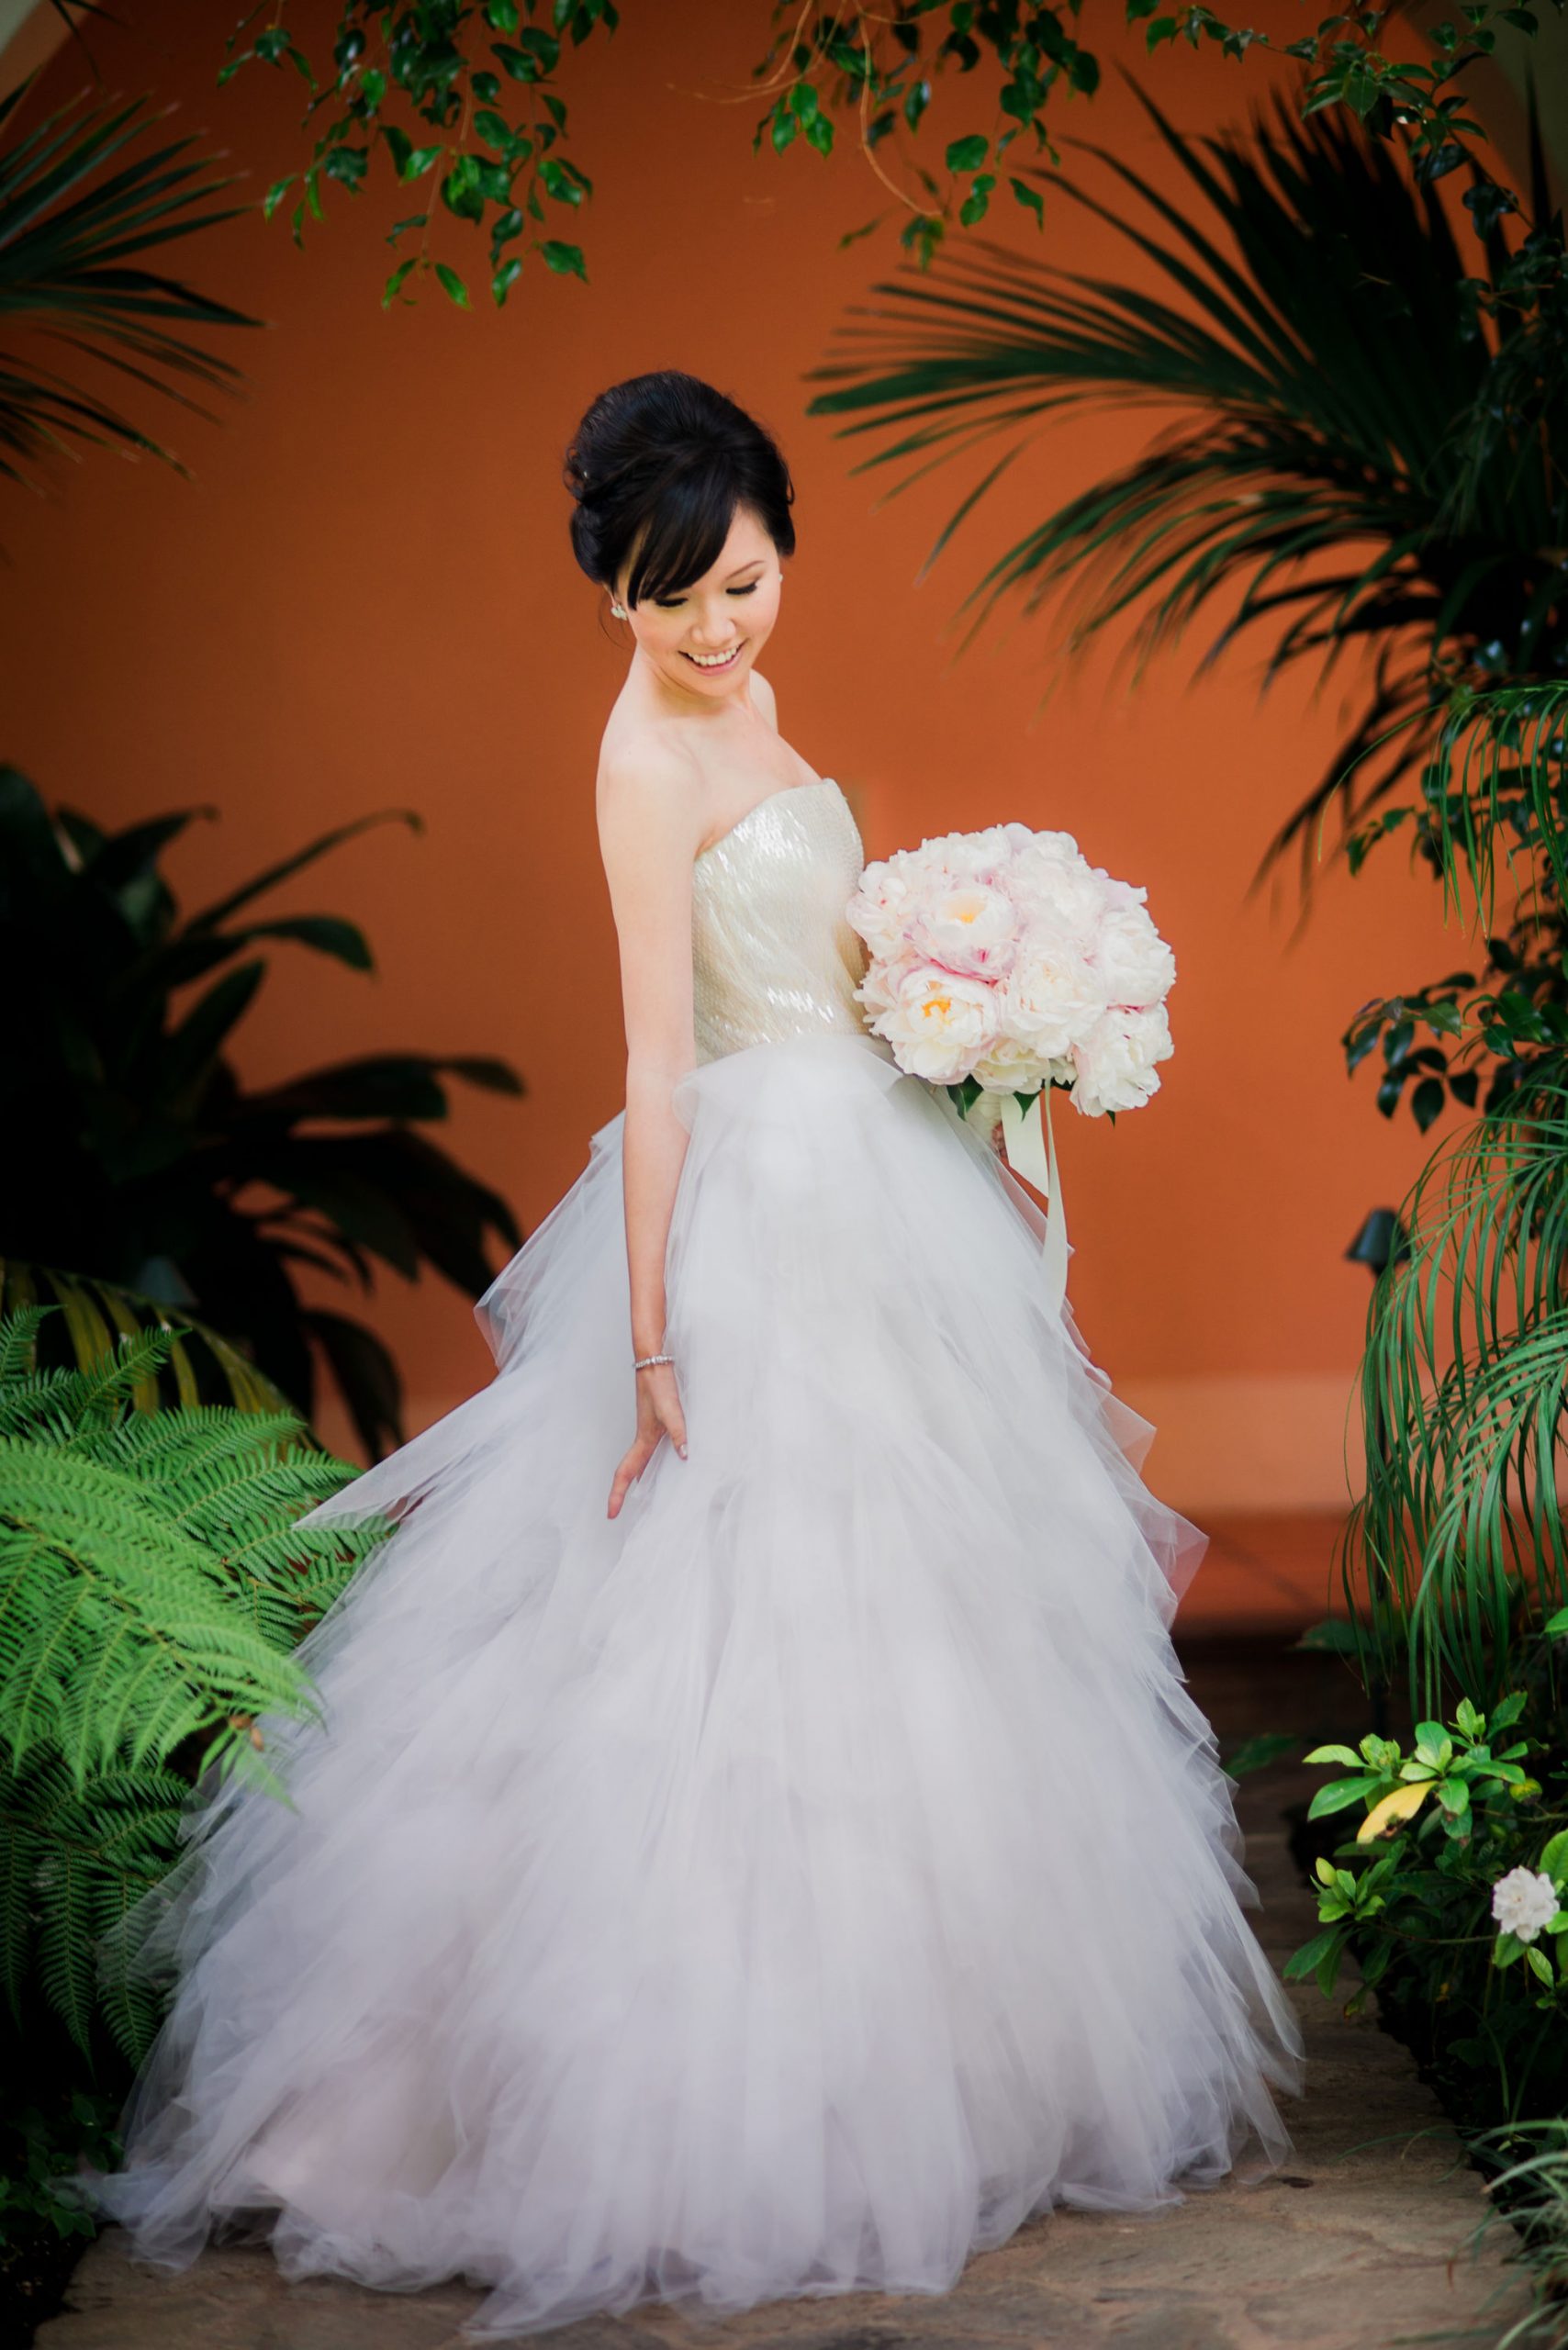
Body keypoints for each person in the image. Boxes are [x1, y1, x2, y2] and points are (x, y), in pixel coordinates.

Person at [68, 369, 1305, 2340]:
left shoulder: (752, 696)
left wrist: (977, 1015)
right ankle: (673, 2112)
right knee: (731, 1632)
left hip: (875, 1167)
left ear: (779, 553)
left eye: (743, 581)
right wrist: (648, 1341)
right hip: (756, 1204)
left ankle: (933, 2059)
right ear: (614, 596)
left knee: (926, 1623)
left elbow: (823, 959)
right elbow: (659, 1057)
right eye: (675, 598)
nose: (719, 628)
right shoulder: (639, 758)